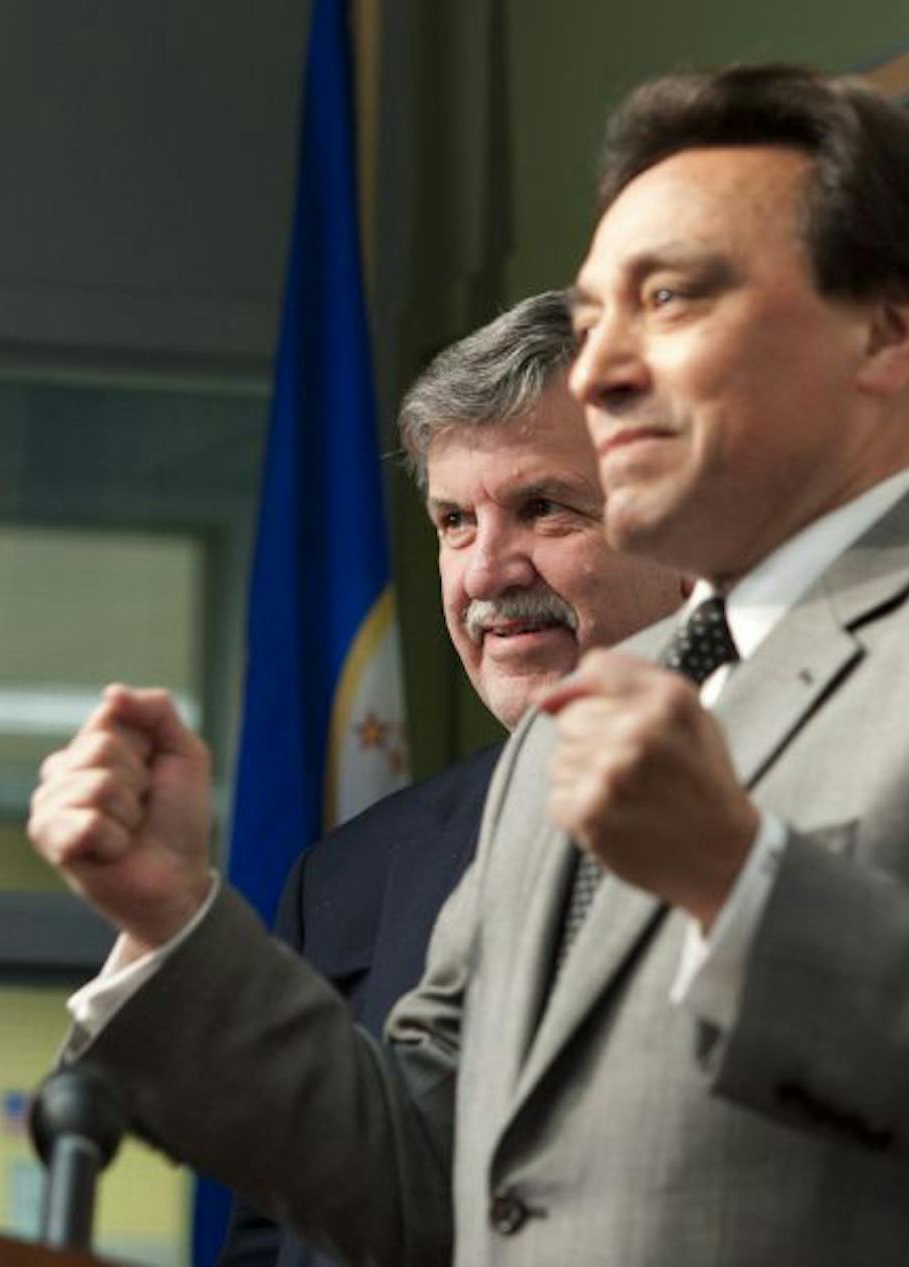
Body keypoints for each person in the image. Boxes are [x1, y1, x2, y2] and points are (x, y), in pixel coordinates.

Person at [32, 65, 909, 1265]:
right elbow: (414, 1177)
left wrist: (738, 881)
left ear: (889, 333)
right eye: (596, 319)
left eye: (671, 300)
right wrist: (172, 916)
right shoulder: (573, 723)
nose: (599, 371)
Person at [219, 291, 686, 1267]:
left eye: (543, 508)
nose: (482, 574)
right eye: (452, 522)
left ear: (685, 530)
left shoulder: (803, 801)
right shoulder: (349, 878)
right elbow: (279, 1235)